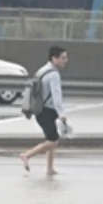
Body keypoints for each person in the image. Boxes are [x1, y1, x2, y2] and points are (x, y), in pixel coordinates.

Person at [19, 46, 69, 176]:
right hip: (47, 111)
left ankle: (50, 168)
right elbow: (56, 95)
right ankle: (27, 155)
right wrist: (62, 114)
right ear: (54, 58)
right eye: (63, 58)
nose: (66, 60)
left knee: (51, 139)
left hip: (41, 110)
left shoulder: (42, 70)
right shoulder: (53, 74)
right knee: (53, 141)